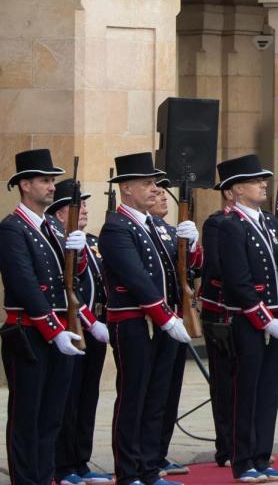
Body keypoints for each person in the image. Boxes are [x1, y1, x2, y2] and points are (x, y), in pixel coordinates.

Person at [98, 152, 197, 485]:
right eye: (147, 183)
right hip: (135, 324)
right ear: (126, 188)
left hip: (164, 322)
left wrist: (192, 244)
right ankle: (129, 473)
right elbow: (136, 278)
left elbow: (183, 269)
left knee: (157, 399)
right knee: (134, 398)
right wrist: (165, 317)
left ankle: (150, 469)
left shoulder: (155, 225)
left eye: (155, 183)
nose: (156, 189)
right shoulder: (116, 227)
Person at [216, 153, 278, 481]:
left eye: (263, 180)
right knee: (246, 392)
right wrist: (264, 318)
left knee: (268, 392)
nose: (263, 185)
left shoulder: (268, 221)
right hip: (248, 321)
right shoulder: (230, 226)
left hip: (275, 318)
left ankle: (262, 457)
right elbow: (237, 280)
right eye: (255, 181)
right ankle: (243, 461)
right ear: (236, 189)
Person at [0, 149, 84, 485]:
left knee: (52, 417)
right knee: (27, 416)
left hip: (57, 331)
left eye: (52, 180)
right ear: (25, 185)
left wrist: (78, 254)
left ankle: (44, 477)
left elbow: (70, 279)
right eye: (45, 180)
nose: (52, 187)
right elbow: (25, 285)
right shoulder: (12, 229)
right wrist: (54, 331)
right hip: (29, 334)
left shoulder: (51, 225)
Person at [50, 180, 115, 485]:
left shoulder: (91, 242)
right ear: (60, 214)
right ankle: (64, 466)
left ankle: (81, 461)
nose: (85, 209)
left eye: (86, 204)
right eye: (78, 205)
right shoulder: (58, 243)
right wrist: (90, 322)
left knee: (88, 397)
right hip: (73, 329)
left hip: (96, 329)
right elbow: (69, 292)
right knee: (69, 399)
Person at [151, 178, 203, 477]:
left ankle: (159, 452)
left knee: (170, 393)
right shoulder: (135, 229)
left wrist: (193, 245)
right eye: (156, 192)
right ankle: (144, 458)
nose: (162, 197)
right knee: (151, 395)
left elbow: (194, 268)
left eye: (163, 192)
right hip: (156, 320)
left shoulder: (171, 232)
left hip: (175, 320)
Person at [198, 183, 236, 468]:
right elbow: (217, 266)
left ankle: (245, 442)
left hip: (250, 312)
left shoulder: (262, 221)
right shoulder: (216, 223)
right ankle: (227, 446)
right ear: (230, 193)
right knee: (224, 382)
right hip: (221, 313)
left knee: (247, 382)